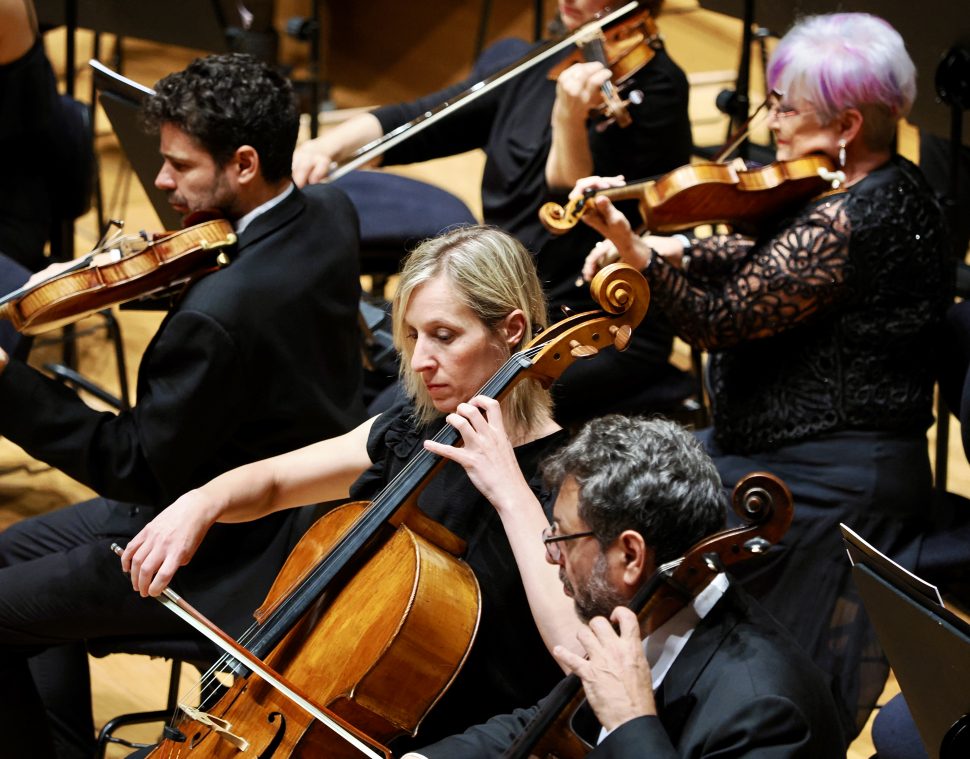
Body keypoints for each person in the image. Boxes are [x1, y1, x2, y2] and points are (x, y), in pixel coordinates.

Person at [575, 12, 952, 742]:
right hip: (774, 449)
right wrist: (659, 245)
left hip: (830, 472)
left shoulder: (857, 217)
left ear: (845, 125)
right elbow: (757, 261)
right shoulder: (838, 189)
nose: (770, 122)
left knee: (660, 529)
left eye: (786, 106)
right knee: (645, 502)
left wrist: (647, 262)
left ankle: (697, 724)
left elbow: (725, 319)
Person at [0, 52, 366, 759]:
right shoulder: (328, 211)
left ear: (245, 163)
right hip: (286, 495)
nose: (161, 181)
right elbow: (245, 290)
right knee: (12, 563)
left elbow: (131, 462)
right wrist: (109, 281)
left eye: (179, 166)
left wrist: (10, 384)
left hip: (214, 548)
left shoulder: (215, 322)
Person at [122, 225, 583, 751]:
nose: (420, 360)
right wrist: (201, 501)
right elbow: (274, 483)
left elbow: (577, 650)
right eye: (411, 336)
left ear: (513, 331)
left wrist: (507, 490)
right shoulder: (415, 430)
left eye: (444, 335)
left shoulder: (564, 482)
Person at [292, 0, 695, 426]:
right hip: (497, 297)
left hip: (589, 314)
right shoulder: (538, 58)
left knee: (400, 414)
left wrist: (568, 117)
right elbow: (424, 119)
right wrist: (324, 148)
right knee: (360, 371)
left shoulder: (657, 89)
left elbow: (563, 206)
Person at [403, 415, 846, 758]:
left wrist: (631, 721)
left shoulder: (764, 711)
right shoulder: (654, 610)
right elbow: (543, 722)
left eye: (560, 536)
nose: (550, 554)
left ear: (630, 556)